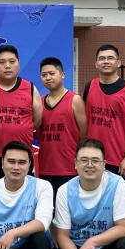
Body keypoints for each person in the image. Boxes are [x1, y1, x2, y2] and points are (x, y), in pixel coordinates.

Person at [82, 44, 125, 184]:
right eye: (102, 58)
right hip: (91, 158)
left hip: (118, 160)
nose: (106, 61)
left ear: (118, 63)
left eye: (110, 58)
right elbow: (83, 121)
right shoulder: (89, 86)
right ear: (96, 64)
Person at [0, 45, 42, 181]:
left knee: (24, 192)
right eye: (2, 62)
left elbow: (37, 121)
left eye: (12, 62)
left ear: (19, 63)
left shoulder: (30, 88)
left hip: (22, 156)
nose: (7, 66)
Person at [36, 56, 87, 191]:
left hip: (70, 169)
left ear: (62, 75)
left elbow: (84, 134)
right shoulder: (39, 102)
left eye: (52, 73)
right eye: (44, 75)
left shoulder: (75, 100)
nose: (48, 78)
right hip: (45, 168)